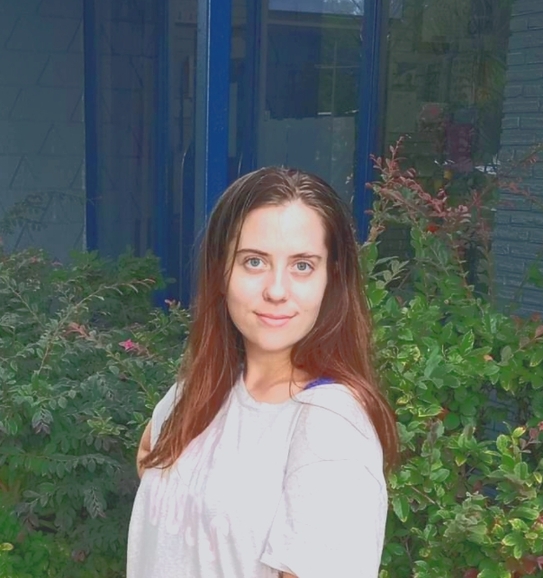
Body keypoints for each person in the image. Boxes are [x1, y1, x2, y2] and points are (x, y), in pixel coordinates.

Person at [127, 167, 399, 578]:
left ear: (332, 279)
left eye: (302, 266)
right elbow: (150, 462)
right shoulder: (195, 392)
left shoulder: (330, 426)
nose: (276, 290)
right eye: (254, 262)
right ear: (222, 272)